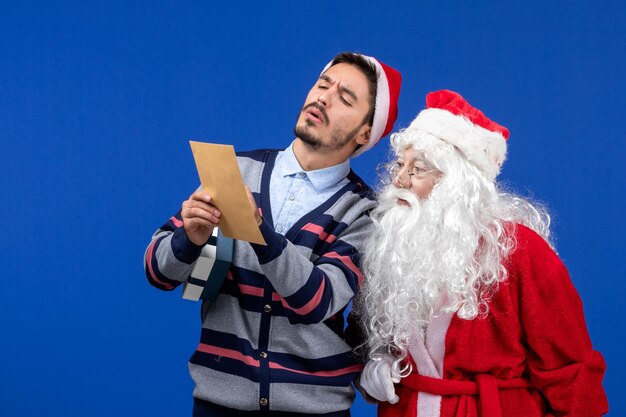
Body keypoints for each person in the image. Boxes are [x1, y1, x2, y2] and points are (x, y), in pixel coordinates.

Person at [144, 52, 402, 416]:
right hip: (218, 404)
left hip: (315, 409)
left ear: (365, 133)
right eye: (322, 84)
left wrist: (258, 230)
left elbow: (319, 299)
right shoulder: (237, 170)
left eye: (345, 98)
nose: (323, 97)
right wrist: (190, 238)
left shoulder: (365, 213)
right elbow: (157, 273)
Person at [355, 90, 608, 417]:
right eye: (400, 165)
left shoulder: (521, 250)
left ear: (455, 184)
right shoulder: (393, 249)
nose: (399, 180)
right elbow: (363, 336)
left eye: (417, 169)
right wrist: (377, 363)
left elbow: (570, 367)